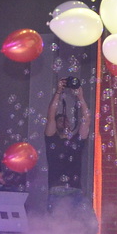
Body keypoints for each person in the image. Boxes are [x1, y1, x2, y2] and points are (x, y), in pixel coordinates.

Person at [45, 78, 91, 214]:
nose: (64, 122)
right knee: (56, 224)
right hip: (57, 191)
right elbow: (51, 115)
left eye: (66, 120)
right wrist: (58, 92)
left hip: (76, 191)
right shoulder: (52, 139)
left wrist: (80, 97)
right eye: (60, 120)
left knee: (89, 222)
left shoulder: (76, 141)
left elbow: (86, 120)